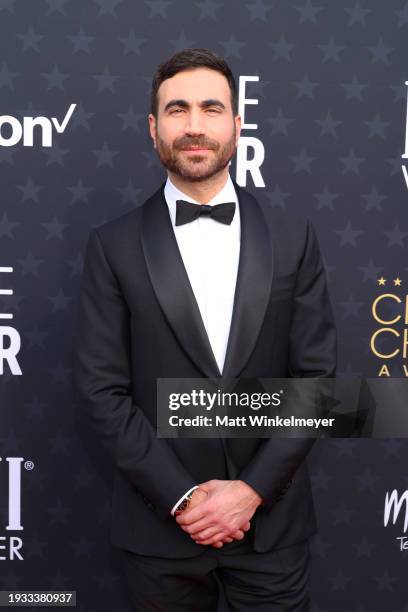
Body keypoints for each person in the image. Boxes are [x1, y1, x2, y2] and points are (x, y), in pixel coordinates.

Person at [73, 47, 337, 612]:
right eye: (177, 109)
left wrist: (251, 492)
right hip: (158, 533)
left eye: (211, 108)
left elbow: (318, 380)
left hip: (271, 530)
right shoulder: (112, 246)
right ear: (153, 127)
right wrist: (185, 498)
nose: (194, 126)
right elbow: (101, 392)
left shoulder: (295, 237)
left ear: (238, 124)